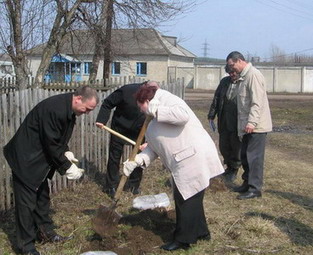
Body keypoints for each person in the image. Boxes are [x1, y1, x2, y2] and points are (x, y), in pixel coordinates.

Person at [122, 82, 224, 251]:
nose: (140, 110)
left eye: (141, 106)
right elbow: (154, 148)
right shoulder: (151, 123)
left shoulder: (167, 100)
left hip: (193, 155)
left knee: (186, 198)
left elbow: (182, 116)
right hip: (183, 159)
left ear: (147, 100)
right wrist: (138, 161)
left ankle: (183, 240)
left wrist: (157, 110)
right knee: (191, 197)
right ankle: (201, 232)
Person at [3, 86, 99, 255]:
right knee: (26, 204)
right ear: (78, 99)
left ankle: (45, 233)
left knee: (42, 197)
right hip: (26, 158)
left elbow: (57, 138)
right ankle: (26, 247)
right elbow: (51, 142)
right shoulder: (55, 109)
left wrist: (66, 151)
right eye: (87, 108)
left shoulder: (68, 109)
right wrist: (66, 167)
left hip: (39, 157)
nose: (88, 113)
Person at [226, 51, 272, 200]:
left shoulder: (253, 75)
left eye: (232, 65)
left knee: (254, 158)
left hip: (256, 127)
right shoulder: (243, 78)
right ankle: (247, 184)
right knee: (245, 156)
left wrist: (252, 122)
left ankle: (255, 189)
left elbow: (256, 102)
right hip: (246, 126)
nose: (232, 70)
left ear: (239, 61)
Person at [95, 82, 149, 197]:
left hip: (140, 130)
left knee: (138, 158)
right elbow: (107, 103)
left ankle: (134, 185)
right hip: (120, 127)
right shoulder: (126, 91)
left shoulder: (154, 97)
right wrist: (101, 119)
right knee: (115, 156)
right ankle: (110, 186)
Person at [208, 64, 242, 183]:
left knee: (236, 146)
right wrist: (211, 115)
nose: (232, 75)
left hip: (237, 120)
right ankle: (228, 166)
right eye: (229, 73)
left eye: (233, 72)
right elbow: (217, 98)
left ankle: (234, 168)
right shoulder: (224, 82)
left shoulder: (244, 83)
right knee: (224, 145)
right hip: (224, 119)